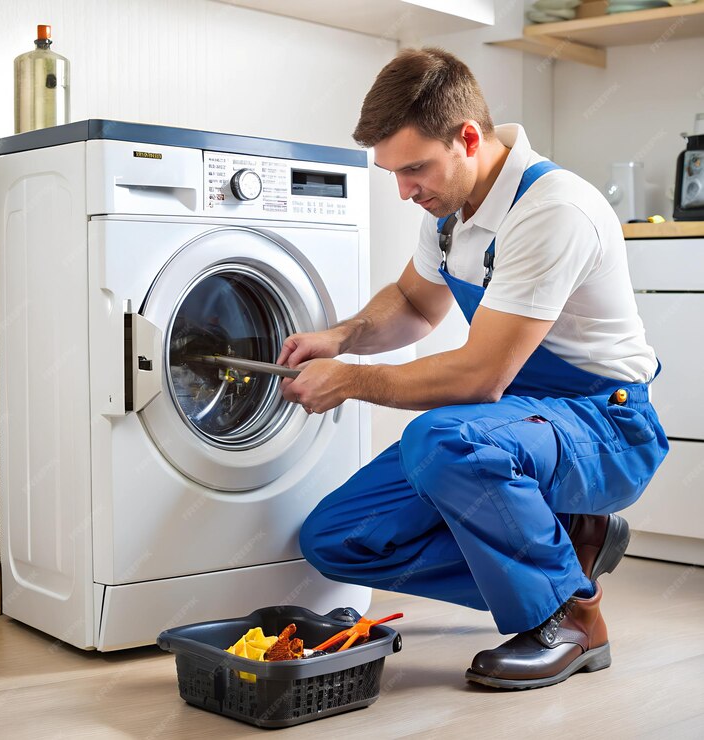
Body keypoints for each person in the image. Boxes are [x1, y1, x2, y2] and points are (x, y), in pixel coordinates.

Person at [277, 47, 668, 690]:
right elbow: (410, 302)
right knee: (338, 538)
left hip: (606, 426)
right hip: (518, 419)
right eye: (394, 175)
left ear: (465, 139)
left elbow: (477, 378)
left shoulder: (552, 209)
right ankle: (568, 554)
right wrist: (338, 338)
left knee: (443, 437)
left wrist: (348, 382)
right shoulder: (450, 211)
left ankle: (570, 617)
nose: (405, 191)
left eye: (415, 169)